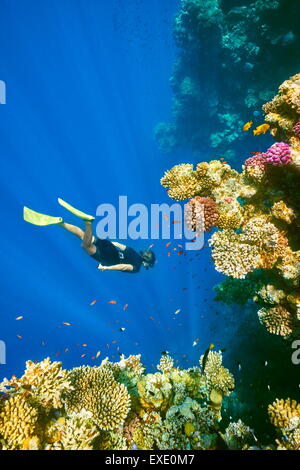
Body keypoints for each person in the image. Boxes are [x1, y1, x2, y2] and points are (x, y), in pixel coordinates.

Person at [23, 198, 156, 274]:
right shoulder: (137, 268)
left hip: (109, 247)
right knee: (85, 246)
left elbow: (116, 244)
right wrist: (106, 267)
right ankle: (88, 223)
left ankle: (60, 223)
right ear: (146, 263)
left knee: (82, 235)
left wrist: (104, 243)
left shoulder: (132, 251)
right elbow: (124, 267)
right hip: (108, 258)